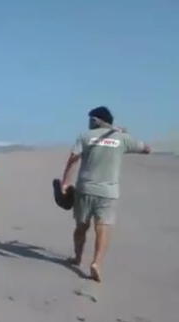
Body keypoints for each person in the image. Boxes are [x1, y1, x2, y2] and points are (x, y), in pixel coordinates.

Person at [61, 106, 151, 282]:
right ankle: (96, 263)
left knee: (81, 226)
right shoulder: (122, 138)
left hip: (85, 189)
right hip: (108, 192)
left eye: (90, 120)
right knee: (102, 228)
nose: (88, 123)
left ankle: (77, 258)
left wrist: (65, 182)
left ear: (97, 121)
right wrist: (125, 134)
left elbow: (73, 159)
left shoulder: (85, 136)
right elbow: (147, 149)